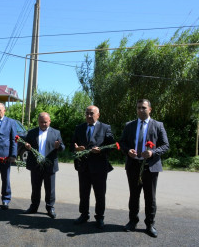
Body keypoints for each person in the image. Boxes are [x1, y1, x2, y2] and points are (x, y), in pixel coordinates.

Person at [119, 99, 169, 238]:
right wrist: (127, 150)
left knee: (150, 197)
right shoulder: (129, 125)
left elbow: (165, 145)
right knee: (134, 196)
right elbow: (122, 142)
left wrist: (153, 152)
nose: (141, 110)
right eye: (138, 108)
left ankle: (150, 224)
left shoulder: (158, 125)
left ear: (150, 109)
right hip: (133, 166)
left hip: (150, 167)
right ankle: (132, 221)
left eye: (143, 107)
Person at [72, 105, 115, 229]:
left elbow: (111, 145)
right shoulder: (79, 128)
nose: (89, 116)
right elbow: (72, 144)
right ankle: (84, 215)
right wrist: (76, 148)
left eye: (91, 113)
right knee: (84, 193)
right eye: (87, 113)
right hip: (83, 167)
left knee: (100, 194)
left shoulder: (105, 128)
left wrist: (100, 150)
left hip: (99, 167)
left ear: (98, 115)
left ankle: (100, 217)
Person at [23, 112, 65, 219]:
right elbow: (25, 144)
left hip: (50, 166)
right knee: (35, 188)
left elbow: (63, 148)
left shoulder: (56, 133)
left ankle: (50, 208)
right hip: (36, 165)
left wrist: (58, 146)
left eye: (45, 122)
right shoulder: (32, 132)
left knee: (50, 188)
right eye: (41, 122)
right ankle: (34, 206)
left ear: (49, 121)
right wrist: (26, 146)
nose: (43, 124)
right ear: (38, 122)